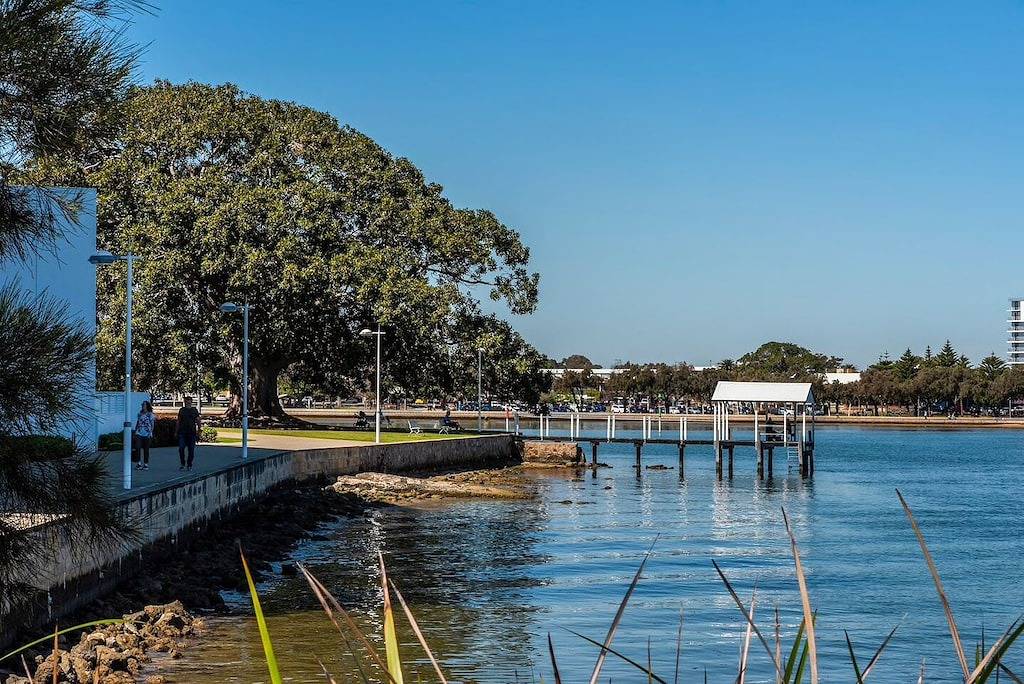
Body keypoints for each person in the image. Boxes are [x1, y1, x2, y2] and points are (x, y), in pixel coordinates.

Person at [176, 396, 201, 471]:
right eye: (186, 401)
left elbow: (198, 420)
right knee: (181, 448)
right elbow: (178, 421)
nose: (187, 402)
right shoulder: (182, 410)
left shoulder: (194, 410)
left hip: (192, 433)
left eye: (189, 401)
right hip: (182, 432)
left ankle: (189, 464)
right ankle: (182, 463)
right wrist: (176, 431)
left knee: (191, 449)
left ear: (191, 401)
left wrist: (199, 430)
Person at [134, 400, 155, 470]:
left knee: (146, 449)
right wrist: (135, 430)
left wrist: (150, 433)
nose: (143, 406)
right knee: (137, 447)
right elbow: (138, 422)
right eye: (142, 405)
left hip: (147, 434)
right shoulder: (139, 414)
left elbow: (152, 425)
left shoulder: (150, 414)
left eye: (144, 405)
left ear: (147, 406)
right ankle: (139, 463)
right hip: (139, 433)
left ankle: (146, 464)